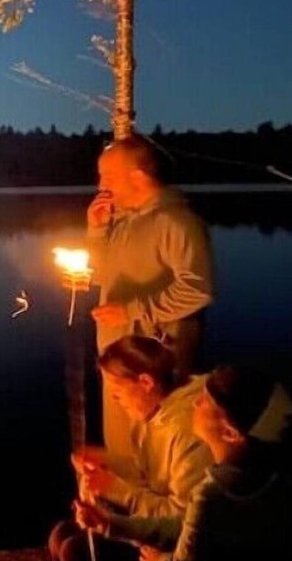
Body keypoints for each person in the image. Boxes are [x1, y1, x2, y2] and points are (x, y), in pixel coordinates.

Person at [73, 365, 292, 561]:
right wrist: (108, 524)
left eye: (206, 401)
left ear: (230, 433)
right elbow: (187, 525)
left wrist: (159, 558)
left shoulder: (211, 494)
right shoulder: (263, 473)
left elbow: (186, 537)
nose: (196, 401)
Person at [86, 135, 213, 456]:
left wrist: (131, 311)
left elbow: (198, 290)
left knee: (159, 451)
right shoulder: (124, 222)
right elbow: (101, 276)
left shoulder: (176, 221)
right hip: (117, 361)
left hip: (154, 368)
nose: (101, 185)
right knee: (121, 449)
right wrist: (97, 231)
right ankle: (123, 485)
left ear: (139, 177)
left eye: (108, 176)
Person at [49, 336, 213, 561]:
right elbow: (148, 473)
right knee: (61, 534)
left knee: (73, 550)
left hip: (176, 541)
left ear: (146, 382)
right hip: (151, 523)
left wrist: (114, 490)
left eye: (117, 389)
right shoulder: (150, 410)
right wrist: (106, 462)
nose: (113, 397)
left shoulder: (188, 430)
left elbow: (183, 521)